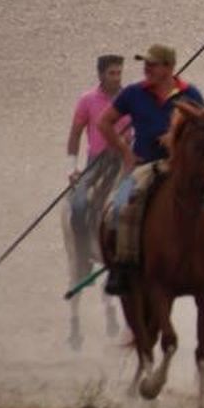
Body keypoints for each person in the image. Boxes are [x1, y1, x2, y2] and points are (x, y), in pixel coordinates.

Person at [96, 44, 204, 296]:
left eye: (153, 64)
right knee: (119, 206)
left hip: (182, 167)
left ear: (169, 68)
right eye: (145, 64)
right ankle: (122, 266)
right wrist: (125, 152)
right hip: (144, 165)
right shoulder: (133, 93)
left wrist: (174, 136)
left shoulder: (190, 93)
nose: (146, 68)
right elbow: (104, 122)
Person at [65, 54, 132, 272]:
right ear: (101, 74)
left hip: (125, 160)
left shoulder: (130, 98)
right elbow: (75, 134)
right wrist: (73, 167)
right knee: (78, 205)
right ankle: (84, 257)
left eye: (119, 73)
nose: (116, 78)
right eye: (112, 73)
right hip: (97, 163)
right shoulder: (87, 100)